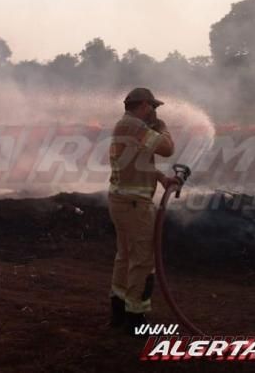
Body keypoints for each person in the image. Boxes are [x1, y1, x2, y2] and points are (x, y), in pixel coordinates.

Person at [107, 87, 178, 334]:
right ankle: (135, 318)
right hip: (135, 205)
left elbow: (134, 162)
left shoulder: (124, 126)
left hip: (122, 201)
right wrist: (162, 126)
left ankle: (118, 310)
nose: (155, 112)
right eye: (153, 107)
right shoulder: (136, 127)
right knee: (142, 260)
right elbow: (168, 148)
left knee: (125, 256)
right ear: (144, 106)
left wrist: (159, 177)